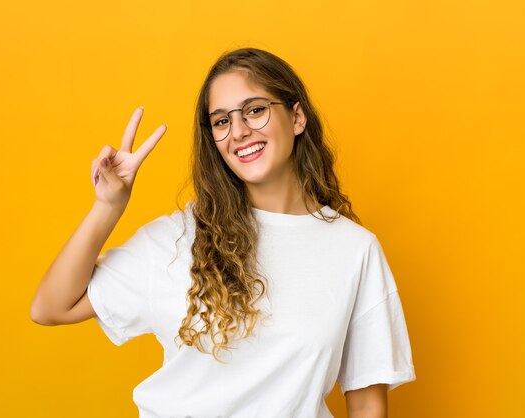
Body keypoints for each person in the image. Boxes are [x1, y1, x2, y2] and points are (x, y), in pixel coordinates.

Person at [30, 47, 416, 418]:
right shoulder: (177, 238)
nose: (239, 131)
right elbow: (51, 307)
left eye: (255, 110)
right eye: (221, 121)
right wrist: (108, 206)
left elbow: (367, 404)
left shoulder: (353, 249)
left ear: (297, 118)